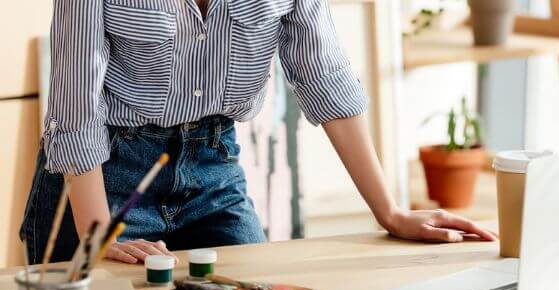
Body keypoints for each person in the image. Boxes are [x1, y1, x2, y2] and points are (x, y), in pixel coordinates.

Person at [21, 0, 495, 264]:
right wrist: (98, 232)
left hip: (213, 171)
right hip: (103, 182)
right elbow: (75, 106)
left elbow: (325, 78)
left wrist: (389, 213)